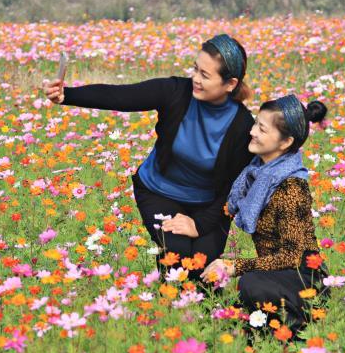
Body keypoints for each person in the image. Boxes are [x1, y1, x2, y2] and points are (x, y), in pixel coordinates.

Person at [44, 34, 254, 277]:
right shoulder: (175, 91)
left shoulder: (242, 125)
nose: (195, 79)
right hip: (160, 192)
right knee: (177, 255)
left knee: (203, 269)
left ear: (230, 84)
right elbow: (121, 96)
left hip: (209, 206)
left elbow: (235, 188)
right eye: (195, 69)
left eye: (205, 75)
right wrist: (66, 96)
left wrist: (199, 225)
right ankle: (168, 306)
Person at [202, 95, 327, 335]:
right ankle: (258, 320)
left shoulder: (291, 187)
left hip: (303, 278)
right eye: (255, 124)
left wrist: (234, 266)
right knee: (245, 284)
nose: (252, 132)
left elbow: (291, 257)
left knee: (249, 282)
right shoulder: (255, 172)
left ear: (285, 142)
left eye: (262, 128)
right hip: (275, 274)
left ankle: (292, 325)